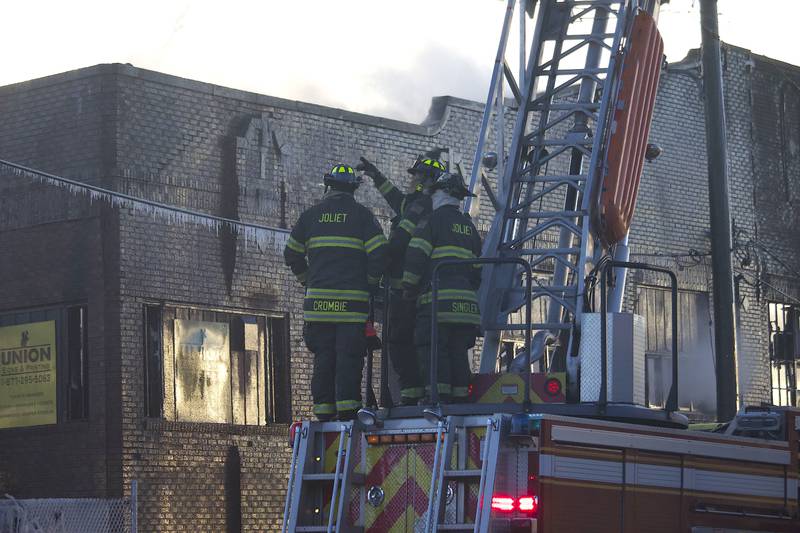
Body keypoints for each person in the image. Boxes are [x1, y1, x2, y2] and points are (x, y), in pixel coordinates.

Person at [284, 163, 388, 421]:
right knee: (348, 359)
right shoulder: (362, 216)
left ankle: (323, 412)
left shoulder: (310, 216)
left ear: (328, 186)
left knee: (324, 358)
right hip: (351, 309)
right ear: (353, 189)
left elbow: (291, 253)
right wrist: (371, 283)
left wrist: (308, 281)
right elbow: (380, 254)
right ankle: (347, 412)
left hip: (318, 308)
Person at [356, 152, 446, 405]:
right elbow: (397, 199)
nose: (411, 180)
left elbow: (399, 240)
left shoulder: (421, 205)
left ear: (426, 180)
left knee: (400, 342)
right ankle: (416, 394)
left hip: (408, 292)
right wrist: (376, 175)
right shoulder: (424, 204)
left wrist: (380, 262)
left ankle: (412, 395)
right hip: (420, 290)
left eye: (415, 175)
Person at [402, 168, 482, 403]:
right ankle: (459, 398)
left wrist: (408, 286)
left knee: (433, 349)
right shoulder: (469, 227)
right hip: (466, 307)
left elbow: (416, 256)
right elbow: (478, 270)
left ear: (442, 193)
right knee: (458, 352)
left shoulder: (432, 221)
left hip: (438, 304)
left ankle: (437, 396)